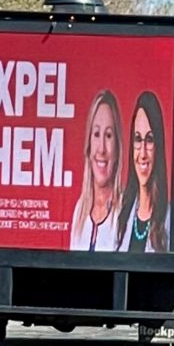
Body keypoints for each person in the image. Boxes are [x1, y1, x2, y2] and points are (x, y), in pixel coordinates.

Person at [116, 91, 171, 253]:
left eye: (150, 139)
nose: (143, 153)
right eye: (138, 139)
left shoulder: (169, 218)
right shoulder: (121, 212)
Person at [70, 90, 124, 251]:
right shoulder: (80, 211)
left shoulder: (126, 212)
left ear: (118, 149)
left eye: (108, 135)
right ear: (88, 146)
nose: (101, 149)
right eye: (96, 134)